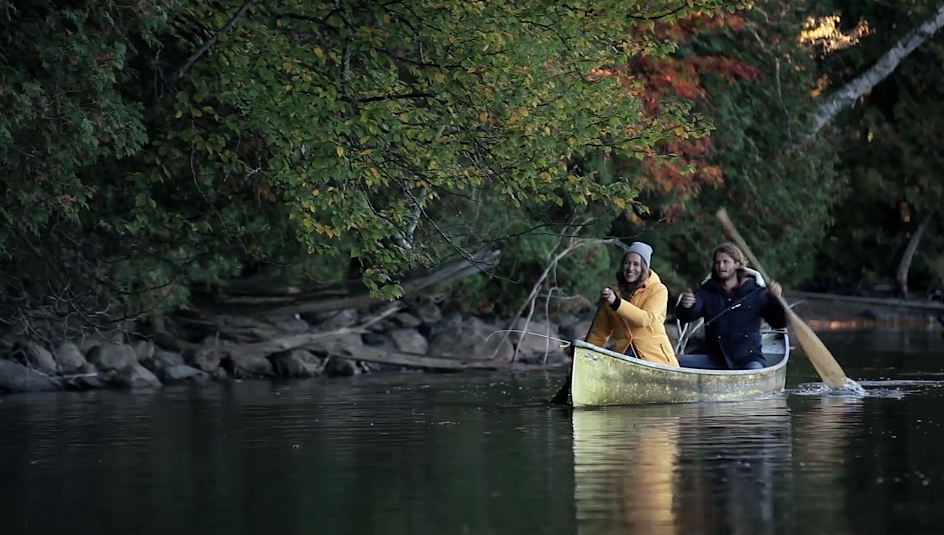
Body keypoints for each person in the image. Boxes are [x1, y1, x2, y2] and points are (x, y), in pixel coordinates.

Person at [675, 243, 787, 370]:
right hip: (714, 358)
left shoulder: (757, 293)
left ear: (737, 264)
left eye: (725, 262)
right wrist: (687, 306)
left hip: (747, 359)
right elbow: (687, 316)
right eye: (717, 262)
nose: (721, 266)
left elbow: (779, 322)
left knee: (753, 371)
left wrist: (776, 300)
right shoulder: (707, 291)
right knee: (673, 363)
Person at [584, 242, 679, 367]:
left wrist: (616, 303)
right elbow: (598, 333)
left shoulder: (658, 290)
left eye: (636, 264)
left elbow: (644, 319)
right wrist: (583, 357)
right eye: (627, 263)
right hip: (623, 357)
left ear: (644, 267)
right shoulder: (613, 293)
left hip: (655, 360)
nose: (630, 268)